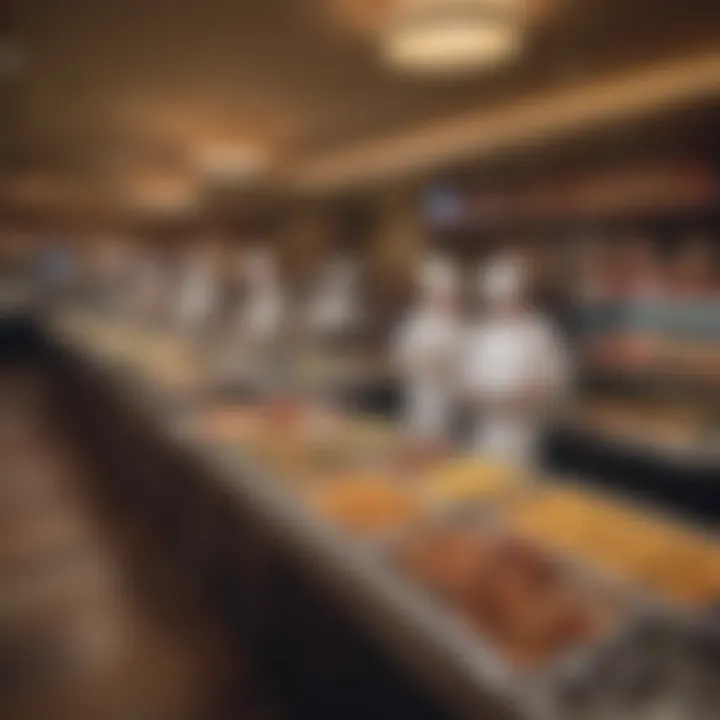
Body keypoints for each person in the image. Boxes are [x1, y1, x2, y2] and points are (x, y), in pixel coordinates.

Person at [464, 252, 571, 469]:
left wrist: (529, 396)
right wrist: (476, 396)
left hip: (524, 435)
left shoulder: (540, 332)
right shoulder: (482, 333)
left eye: (508, 300)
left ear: (521, 296)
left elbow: (557, 384)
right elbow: (466, 385)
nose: (503, 307)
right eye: (497, 302)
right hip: (486, 432)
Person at [391, 255, 463, 444]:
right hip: (419, 396)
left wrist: (449, 365)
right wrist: (422, 364)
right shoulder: (416, 321)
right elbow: (399, 359)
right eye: (438, 294)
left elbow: (470, 365)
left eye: (448, 294)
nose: (444, 298)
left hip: (453, 404)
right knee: (419, 442)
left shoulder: (461, 324)